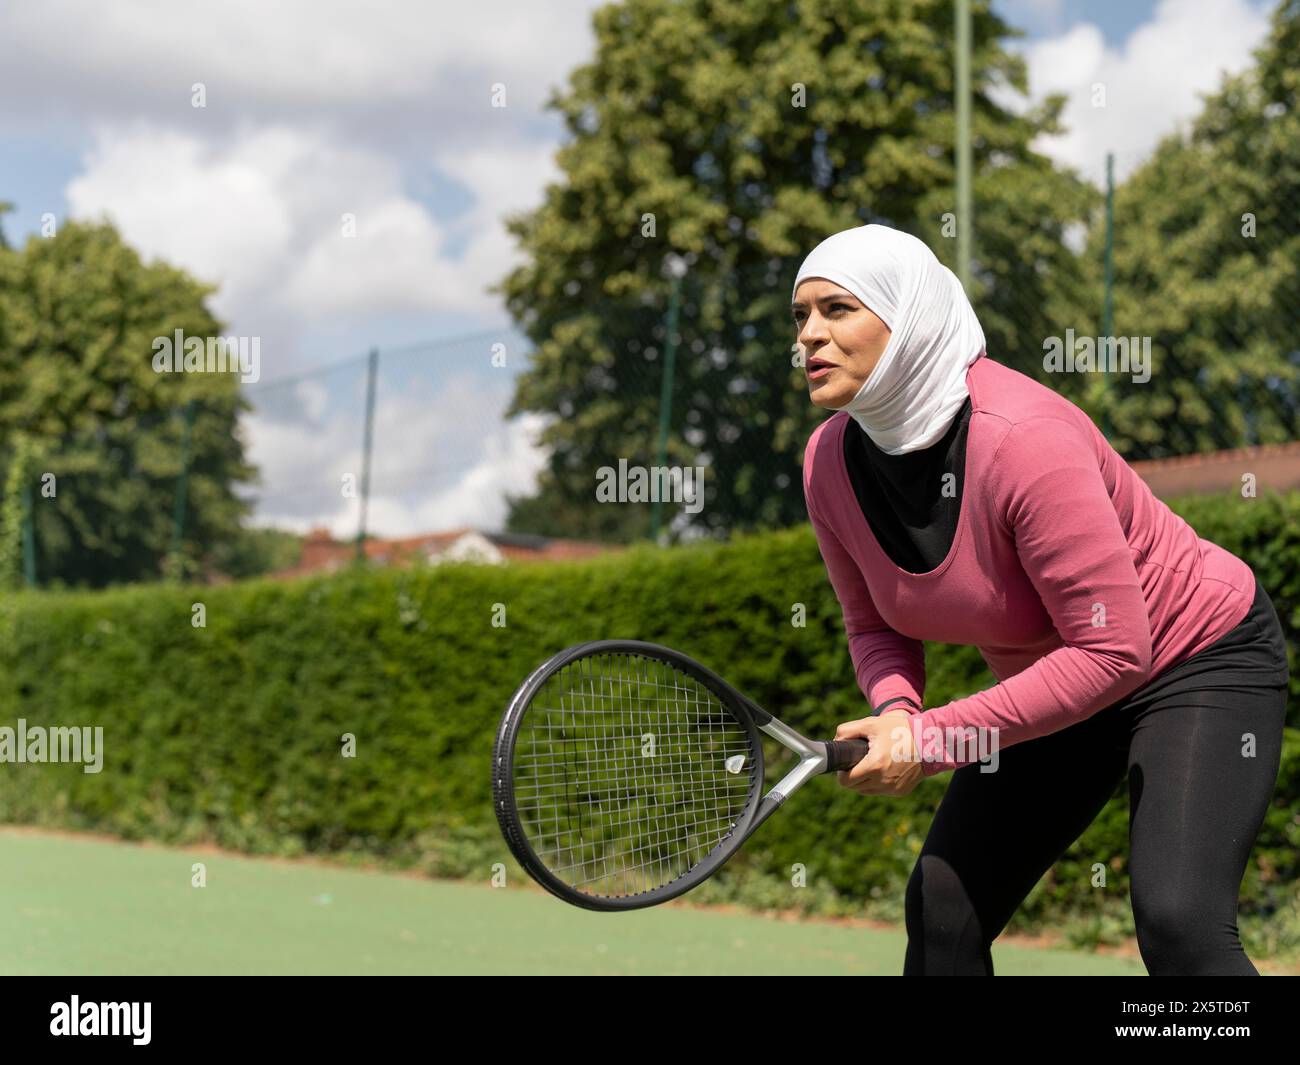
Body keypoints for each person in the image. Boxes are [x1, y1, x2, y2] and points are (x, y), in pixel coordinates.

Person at [793, 223, 1290, 976]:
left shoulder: (1025, 439)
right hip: (1068, 675)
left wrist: (933, 739)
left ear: (910, 318)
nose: (809, 335)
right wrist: (898, 710)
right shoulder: (827, 461)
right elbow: (873, 623)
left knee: (1180, 924)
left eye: (837, 309)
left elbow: (1119, 649)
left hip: (1195, 658)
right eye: (799, 316)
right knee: (943, 912)